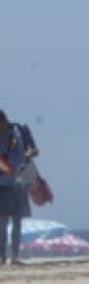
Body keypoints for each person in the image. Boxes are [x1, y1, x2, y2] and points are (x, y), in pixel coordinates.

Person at [0, 110, 34, 266]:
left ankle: (14, 255)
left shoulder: (15, 135)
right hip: (5, 183)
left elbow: (16, 161)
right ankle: (2, 256)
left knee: (16, 221)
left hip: (15, 183)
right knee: (2, 222)